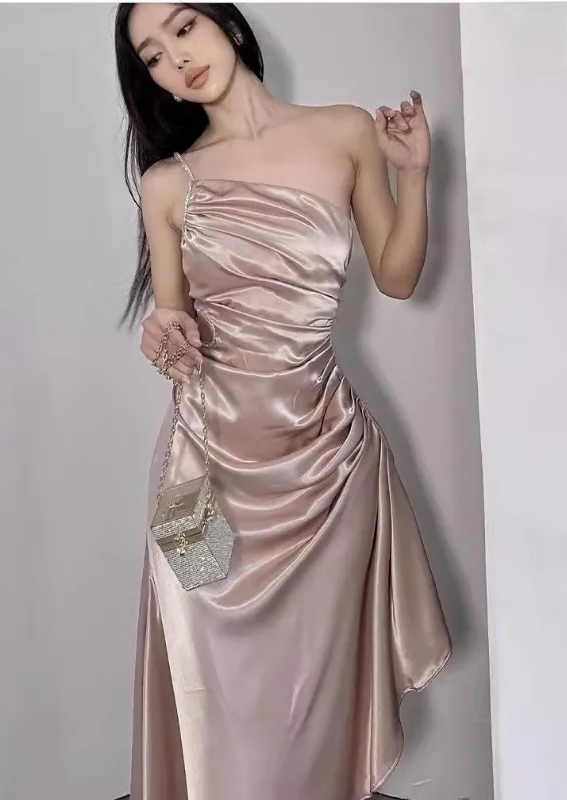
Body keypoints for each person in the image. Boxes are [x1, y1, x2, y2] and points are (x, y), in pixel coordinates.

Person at [114, 4, 452, 799]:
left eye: (183, 28)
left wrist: (414, 174)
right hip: (199, 474)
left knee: (315, 706)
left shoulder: (344, 132)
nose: (176, 59)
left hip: (327, 470)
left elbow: (398, 277)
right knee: (207, 681)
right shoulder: (166, 185)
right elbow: (177, 335)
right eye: (153, 57)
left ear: (228, 25)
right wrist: (164, 335)